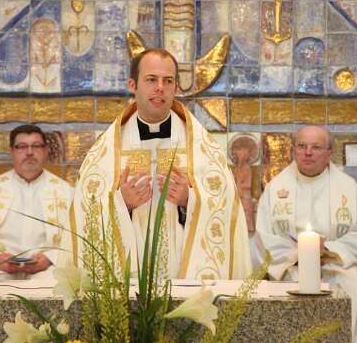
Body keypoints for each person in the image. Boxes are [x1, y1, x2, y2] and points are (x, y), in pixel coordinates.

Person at [70, 48, 251, 280]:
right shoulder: (105, 153)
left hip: (184, 275)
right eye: (151, 79)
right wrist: (121, 204)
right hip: (128, 278)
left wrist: (189, 200)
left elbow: (226, 211)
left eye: (168, 81)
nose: (160, 88)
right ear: (132, 85)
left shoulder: (202, 148)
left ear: (176, 88)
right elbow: (85, 212)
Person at [254, 125, 357, 343]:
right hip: (291, 269)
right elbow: (265, 238)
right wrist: (298, 254)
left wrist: (330, 251)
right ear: (293, 151)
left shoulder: (348, 188)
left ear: (329, 154)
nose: (308, 152)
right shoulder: (276, 189)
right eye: (302, 146)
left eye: (316, 147)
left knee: (355, 292)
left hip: (338, 268)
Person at [0, 124, 72, 282]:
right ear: (12, 152)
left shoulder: (67, 193)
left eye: (36, 146)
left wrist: (50, 258)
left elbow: (74, 243)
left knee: (57, 286)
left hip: (48, 270)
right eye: (22, 147)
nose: (29, 152)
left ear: (46, 150)